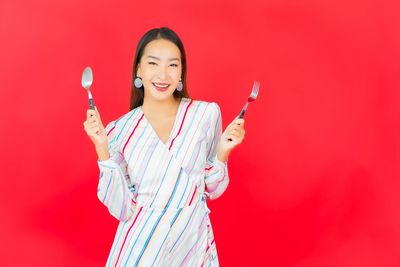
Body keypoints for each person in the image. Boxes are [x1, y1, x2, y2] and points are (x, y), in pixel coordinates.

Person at [83, 27, 245, 266]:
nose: (163, 75)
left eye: (172, 65)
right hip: (140, 247)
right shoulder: (119, 131)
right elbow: (122, 208)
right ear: (138, 69)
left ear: (181, 72)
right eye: (153, 63)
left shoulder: (204, 115)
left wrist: (223, 152)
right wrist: (101, 149)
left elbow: (212, 188)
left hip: (191, 242)